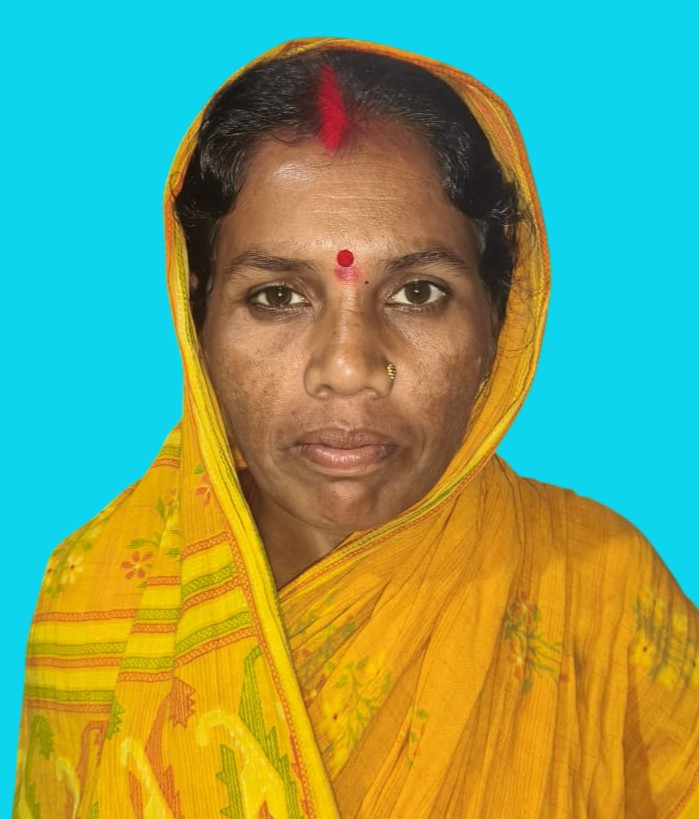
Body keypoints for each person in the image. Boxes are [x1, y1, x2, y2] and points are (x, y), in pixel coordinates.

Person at [13, 37, 699, 819]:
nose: (347, 367)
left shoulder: (598, 591)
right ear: (195, 315)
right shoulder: (94, 599)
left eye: (417, 293)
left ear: (499, 319)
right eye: (277, 296)